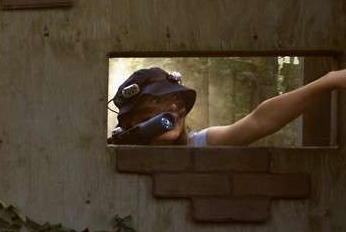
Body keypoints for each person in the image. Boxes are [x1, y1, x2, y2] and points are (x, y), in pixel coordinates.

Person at [109, 65, 346, 146]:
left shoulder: (199, 143)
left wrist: (328, 82)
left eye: (177, 104)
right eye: (156, 105)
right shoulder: (122, 152)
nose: (175, 110)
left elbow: (258, 121)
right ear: (131, 124)